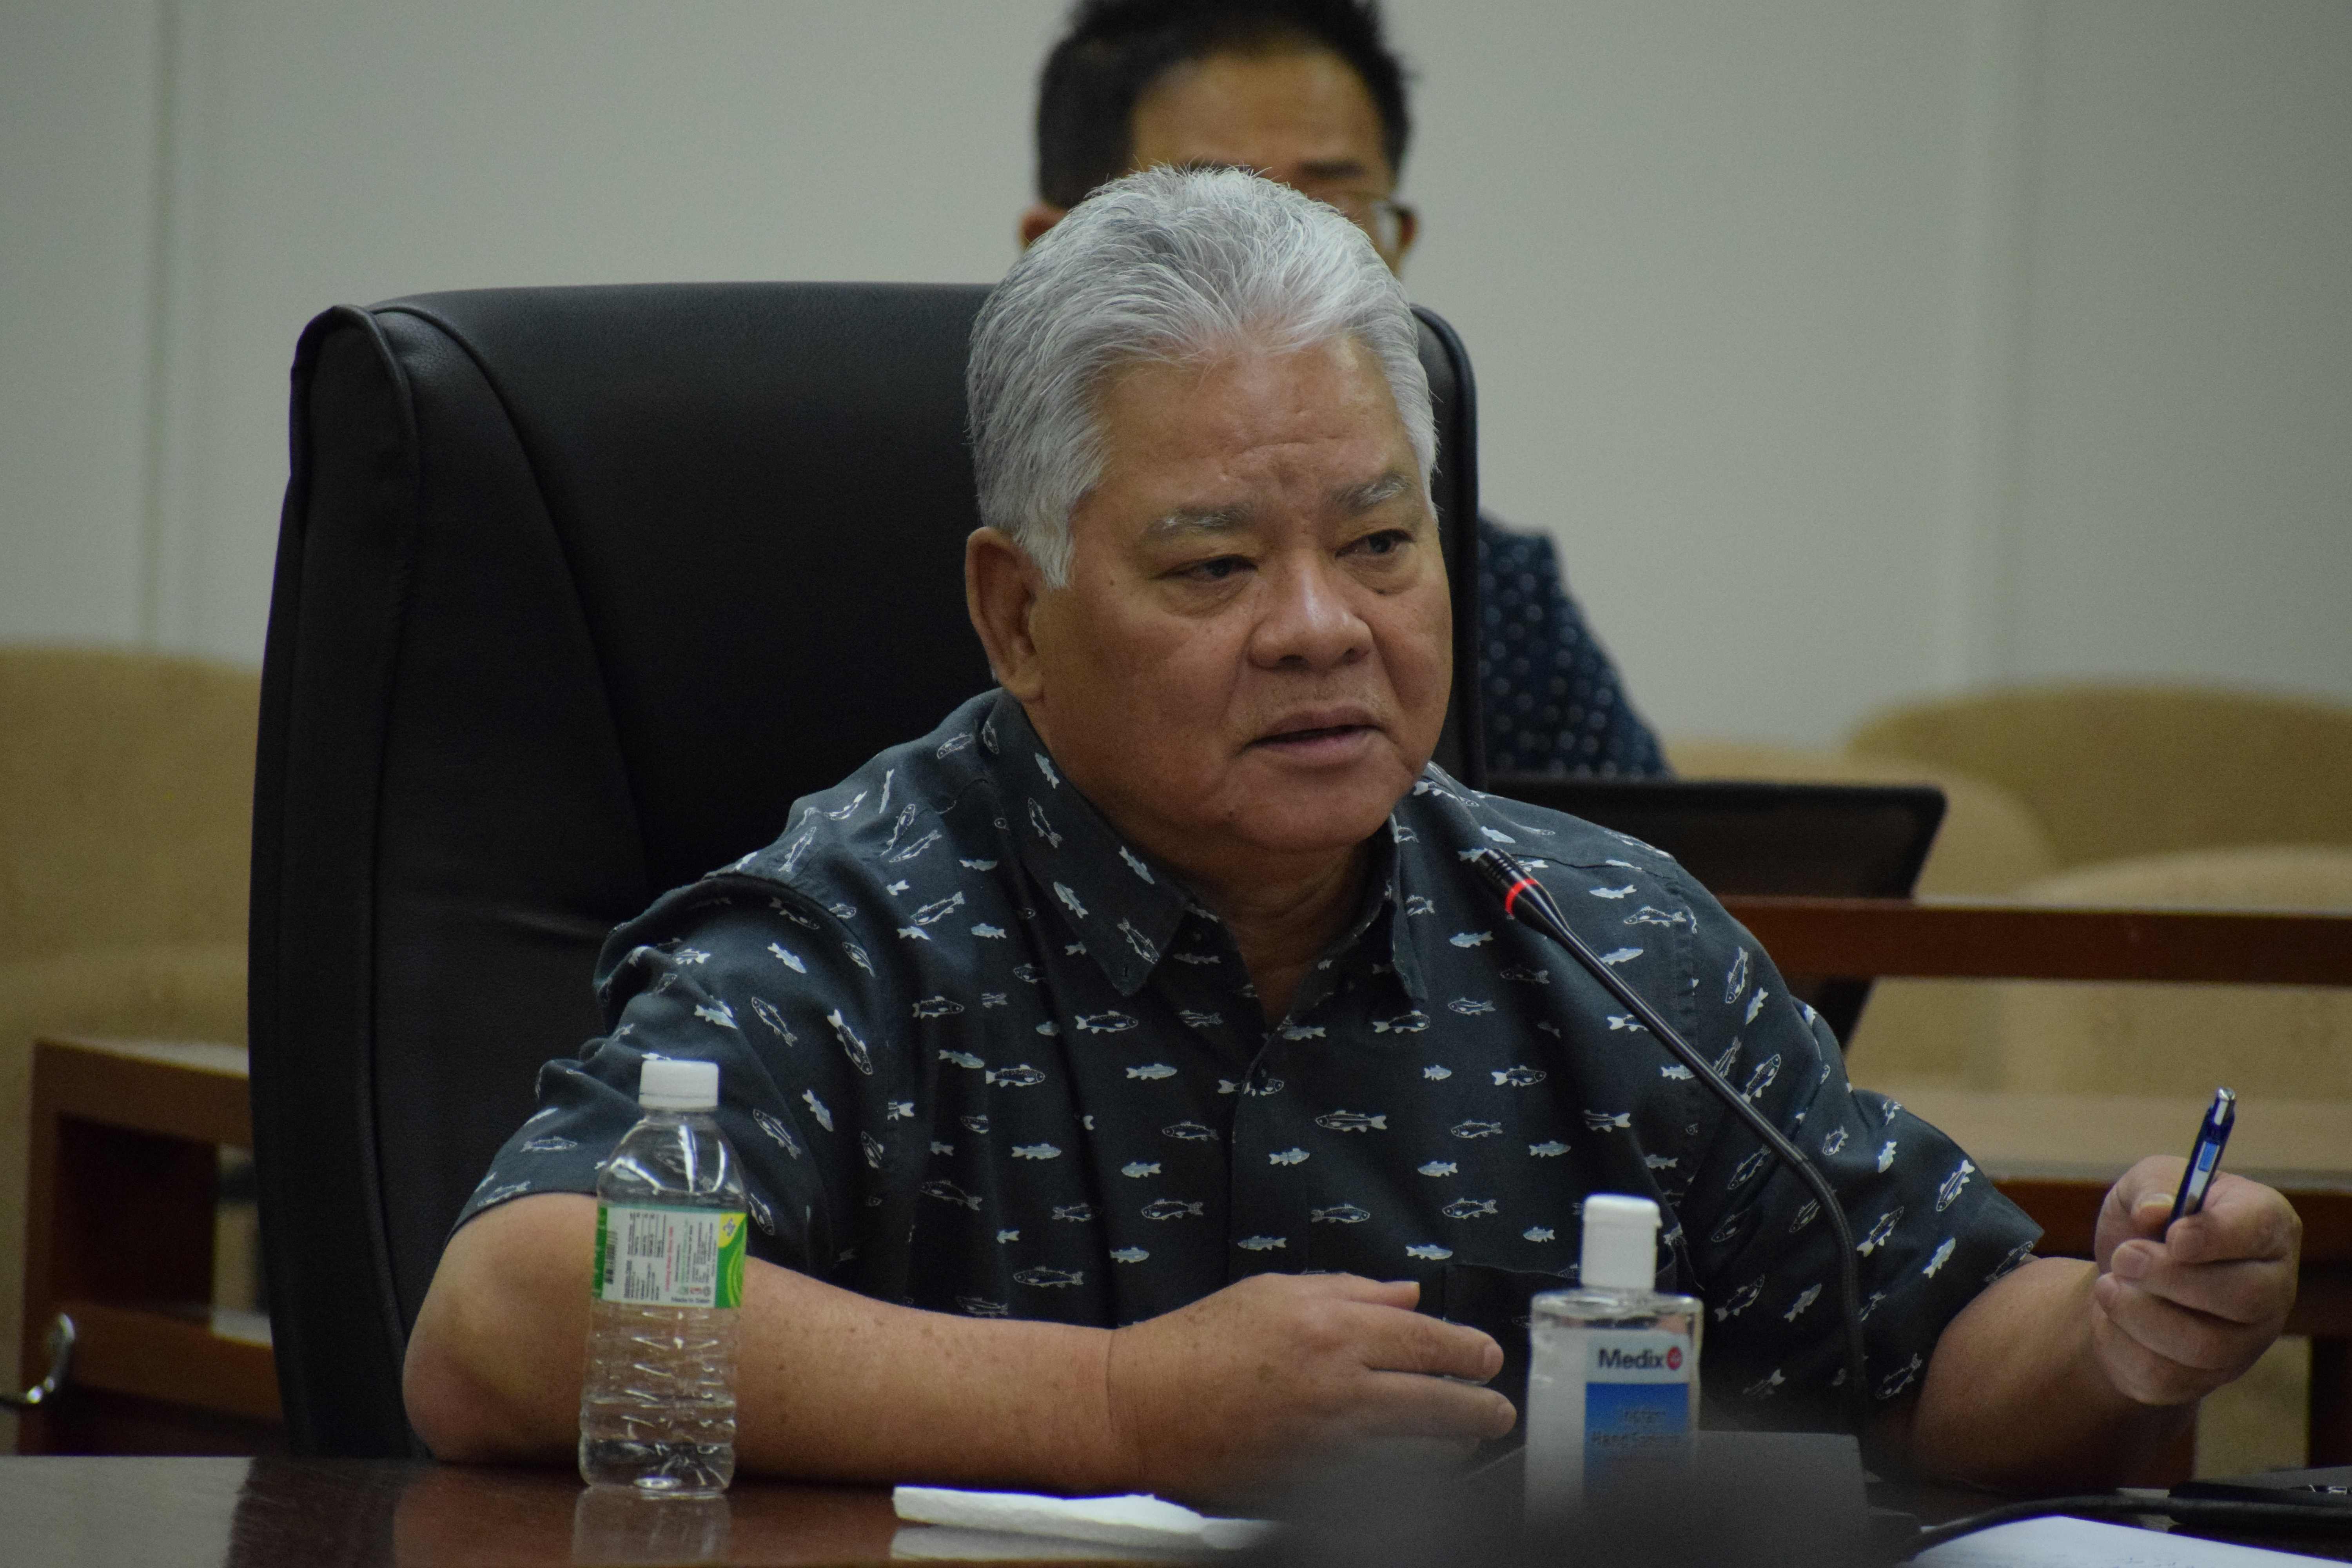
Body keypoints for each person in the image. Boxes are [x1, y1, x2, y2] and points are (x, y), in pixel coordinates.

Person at [404, 170, 2300, 1506]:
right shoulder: (868, 921)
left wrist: (2123, 1332)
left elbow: (1947, 1343)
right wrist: (1127, 1405)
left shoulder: (1597, 931)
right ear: (1015, 611)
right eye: (1216, 561)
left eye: (1381, 545)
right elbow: (514, 1305)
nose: (1321, 625)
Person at [1022, 0, 1668, 779]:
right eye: (1214, 215)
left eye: (1334, 211)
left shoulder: (1493, 592)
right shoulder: (951, 568)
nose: (1285, 255)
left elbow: (1626, 871)